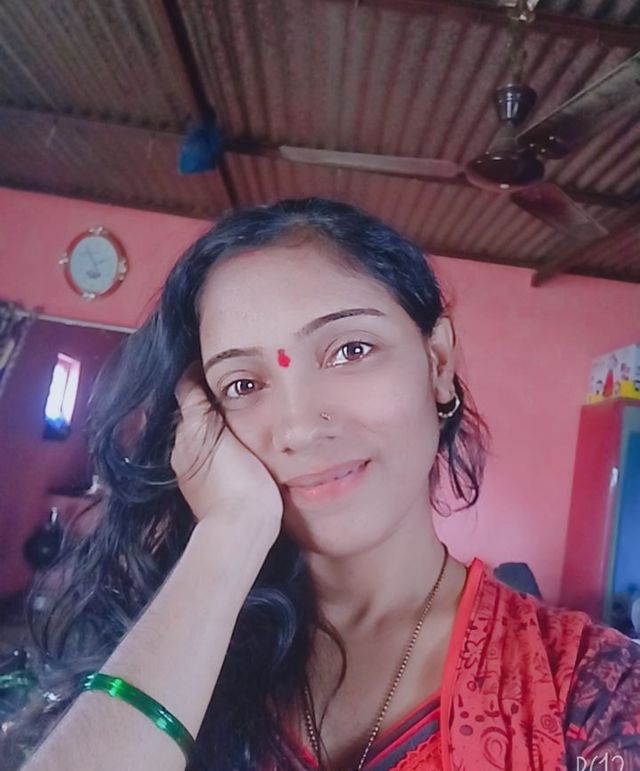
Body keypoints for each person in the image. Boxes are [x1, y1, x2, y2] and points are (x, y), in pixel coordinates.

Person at [5, 198, 639, 771]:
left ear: (438, 364)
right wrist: (228, 535)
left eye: (350, 350)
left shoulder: (591, 689)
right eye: (243, 385)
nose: (301, 427)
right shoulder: (164, 635)